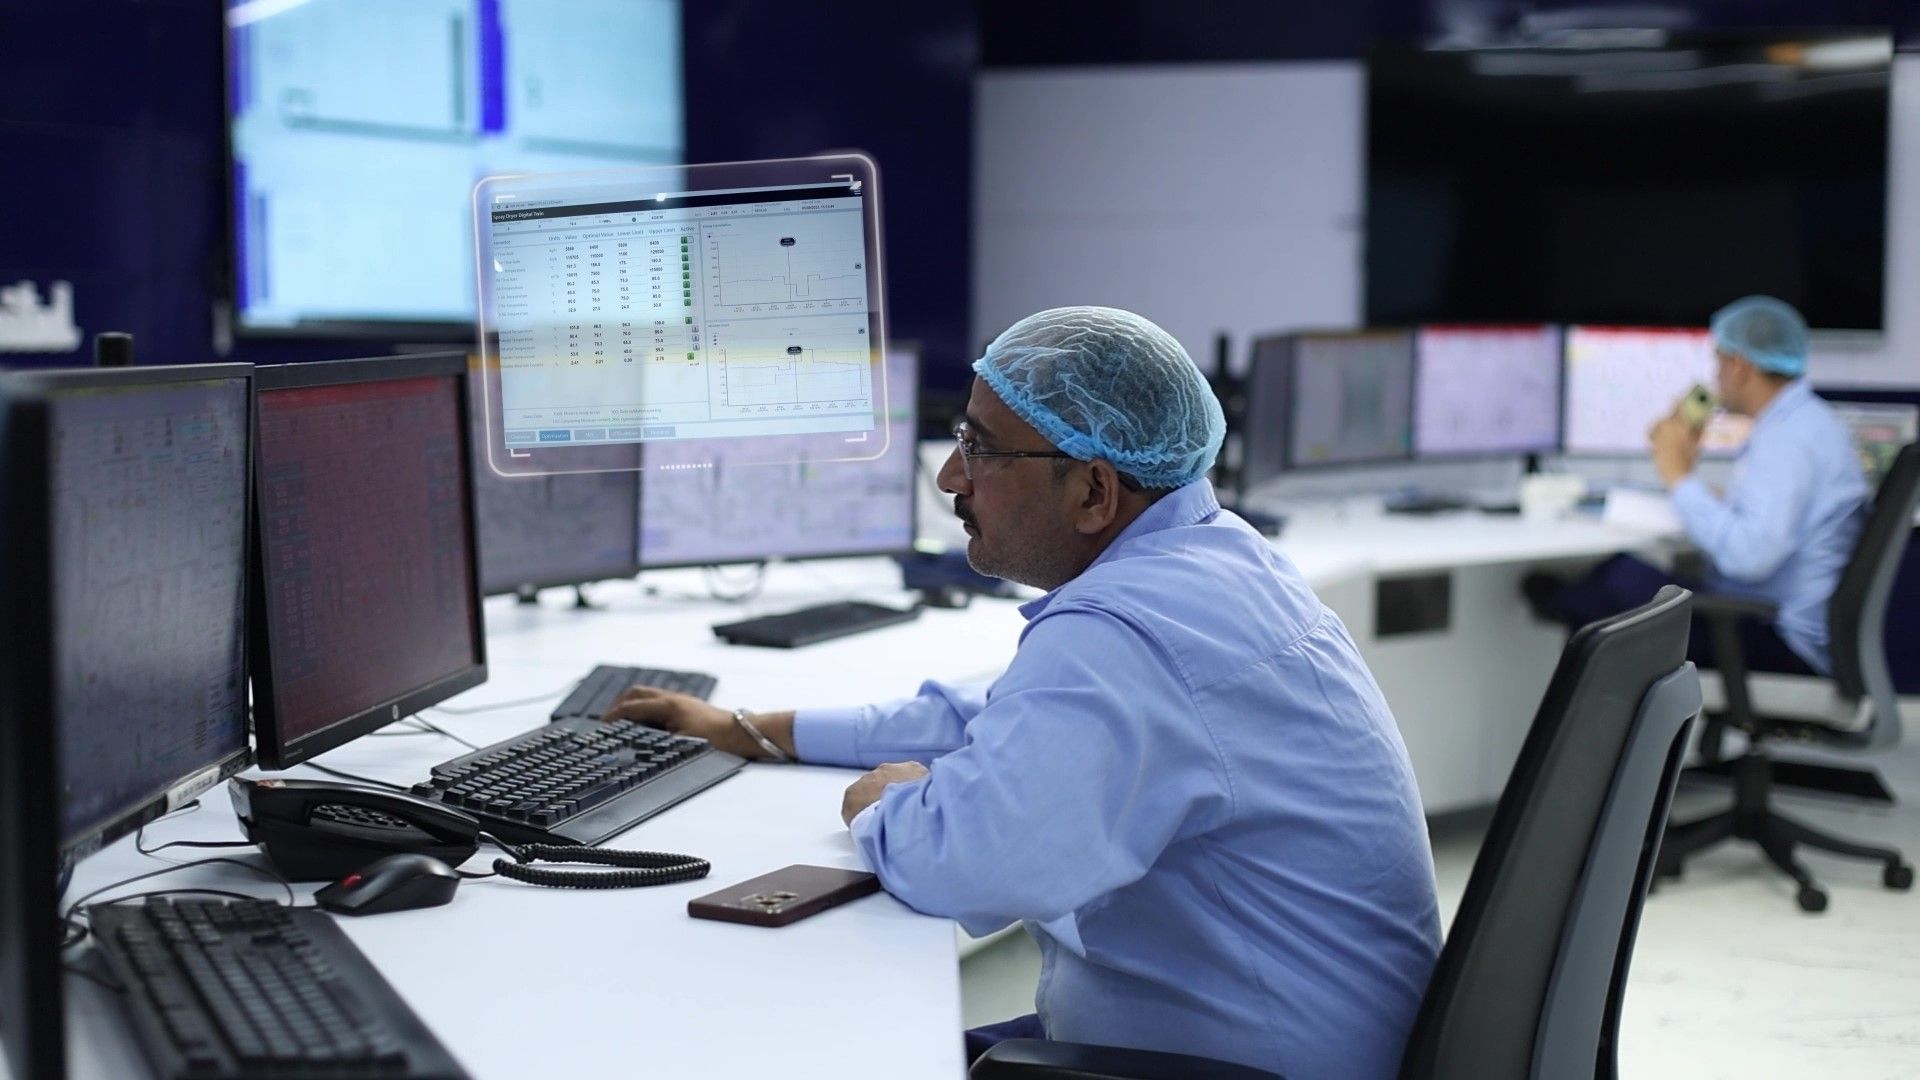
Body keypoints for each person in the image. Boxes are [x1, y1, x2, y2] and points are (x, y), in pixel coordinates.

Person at [607, 307, 1441, 1079]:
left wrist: (884, 804)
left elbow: (962, 866)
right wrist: (752, 728)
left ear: (1093, 491)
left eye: (980, 447)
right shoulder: (1214, 558)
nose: (949, 477)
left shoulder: (1126, 633)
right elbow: (996, 719)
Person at [1530, 295, 1870, 674]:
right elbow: (1771, 517)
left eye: (1718, 362)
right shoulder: (1808, 423)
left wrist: (1678, 476)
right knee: (1619, 588)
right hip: (1778, 621)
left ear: (1739, 366)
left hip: (1776, 637)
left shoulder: (1788, 439)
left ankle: (1561, 603)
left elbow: (1749, 558)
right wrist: (1691, 479)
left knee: (1620, 579)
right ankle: (1567, 602)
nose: (1716, 376)